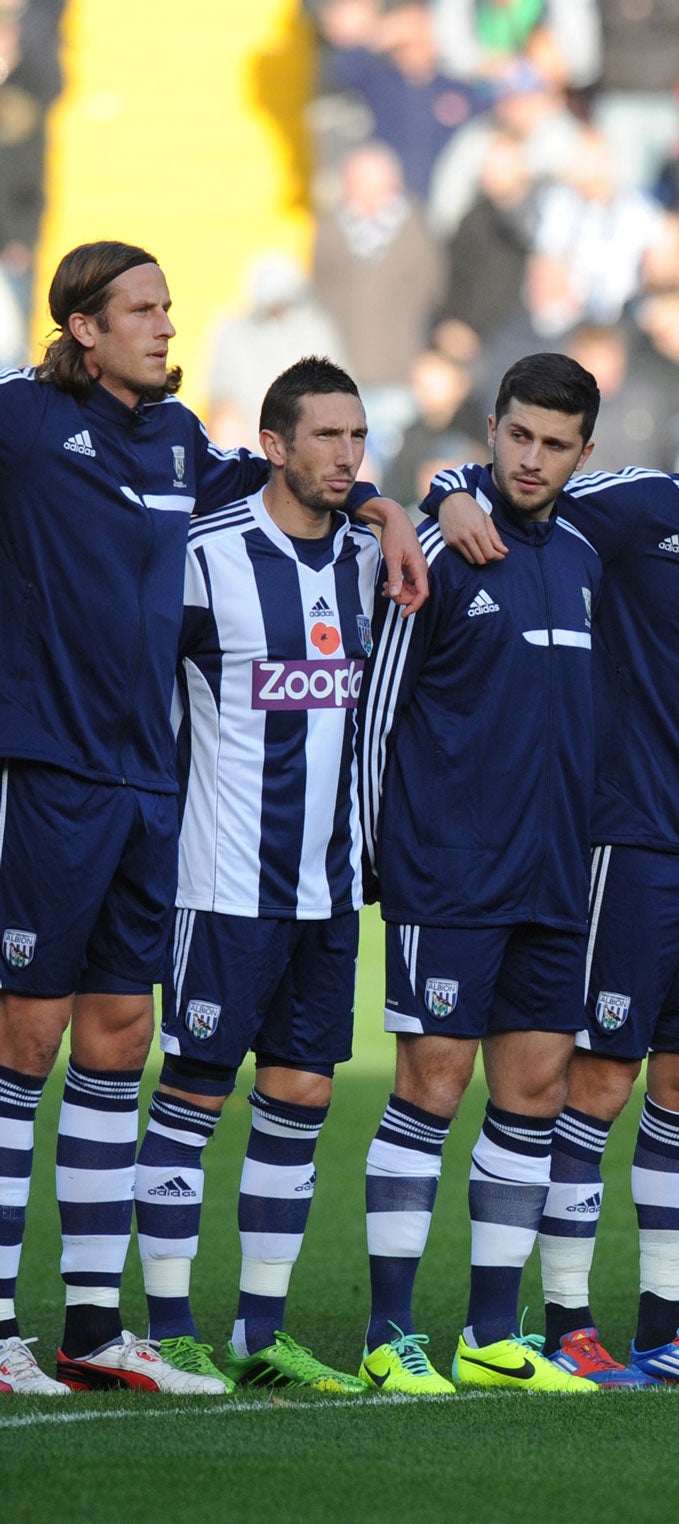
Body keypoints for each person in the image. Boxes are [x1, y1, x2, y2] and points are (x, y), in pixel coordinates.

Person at [0, 241, 422, 1397]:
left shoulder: (185, 445)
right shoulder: (24, 420)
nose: (165, 324)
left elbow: (295, 473)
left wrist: (383, 505)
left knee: (115, 1044)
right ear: (81, 326)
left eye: (169, 306)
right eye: (141, 309)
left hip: (149, 787)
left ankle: (90, 1328)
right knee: (21, 1043)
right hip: (46, 767)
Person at [425, 378, 679, 1387]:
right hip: (621, 843)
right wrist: (443, 491)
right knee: (599, 1080)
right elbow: (502, 489)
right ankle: (566, 1320)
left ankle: (665, 1327)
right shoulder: (634, 510)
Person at [353, 353, 605, 1395]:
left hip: (553, 872)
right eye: (518, 437)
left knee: (534, 1091)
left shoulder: (591, 557)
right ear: (491, 428)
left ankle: (493, 1339)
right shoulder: (441, 551)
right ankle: (385, 1333)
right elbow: (378, 714)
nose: (532, 459)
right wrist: (372, 859)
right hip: (446, 871)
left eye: (555, 444)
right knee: (433, 1084)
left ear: (583, 452)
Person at [131, 358, 382, 1396]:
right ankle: (171, 1328)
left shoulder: (373, 563)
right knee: (192, 1092)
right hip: (221, 881)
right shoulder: (205, 558)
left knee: (302, 1094)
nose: (345, 455)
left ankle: (259, 1333)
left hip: (327, 890)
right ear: (273, 446)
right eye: (324, 436)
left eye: (356, 437)